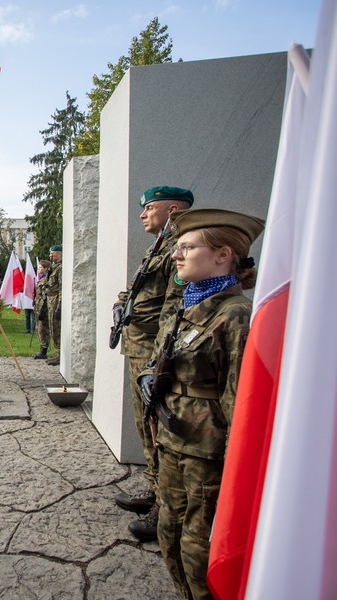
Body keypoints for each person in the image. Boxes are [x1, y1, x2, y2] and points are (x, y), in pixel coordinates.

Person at [142, 208, 264, 600]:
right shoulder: (189, 307)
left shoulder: (236, 316)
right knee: (169, 534)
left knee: (200, 549)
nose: (176, 255)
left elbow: (241, 400)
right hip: (175, 442)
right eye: (177, 248)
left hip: (208, 454)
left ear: (222, 254)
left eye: (187, 247)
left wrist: (237, 467)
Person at [112, 185, 193, 542]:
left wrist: (156, 360)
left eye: (150, 208)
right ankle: (154, 490)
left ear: (173, 209)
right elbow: (136, 289)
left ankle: (165, 509)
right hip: (137, 347)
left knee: (156, 430)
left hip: (151, 353)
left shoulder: (183, 245)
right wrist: (121, 304)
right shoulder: (159, 244)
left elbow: (174, 308)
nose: (143, 214)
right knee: (145, 426)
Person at [44, 245, 63, 366]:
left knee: (56, 327)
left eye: (53, 253)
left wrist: (59, 306)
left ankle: (60, 354)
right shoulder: (54, 267)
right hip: (50, 299)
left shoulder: (60, 268)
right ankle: (57, 353)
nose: (50, 256)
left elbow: (61, 287)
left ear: (60, 253)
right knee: (52, 326)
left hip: (56, 300)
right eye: (50, 254)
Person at [32, 260, 52, 359]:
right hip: (38, 305)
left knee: (42, 329)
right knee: (38, 328)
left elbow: (45, 296)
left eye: (40, 267)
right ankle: (41, 349)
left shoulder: (46, 280)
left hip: (43, 307)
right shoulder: (41, 279)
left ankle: (43, 351)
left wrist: (43, 311)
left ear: (46, 268)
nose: (38, 269)